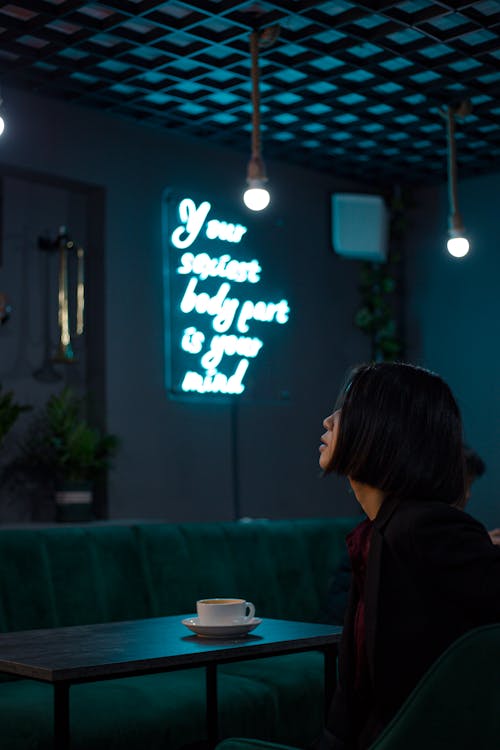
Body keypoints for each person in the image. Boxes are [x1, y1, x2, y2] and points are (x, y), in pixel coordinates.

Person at [318, 362, 500, 750]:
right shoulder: (377, 532)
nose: (329, 421)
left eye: (347, 410)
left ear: (386, 428)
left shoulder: (424, 528)